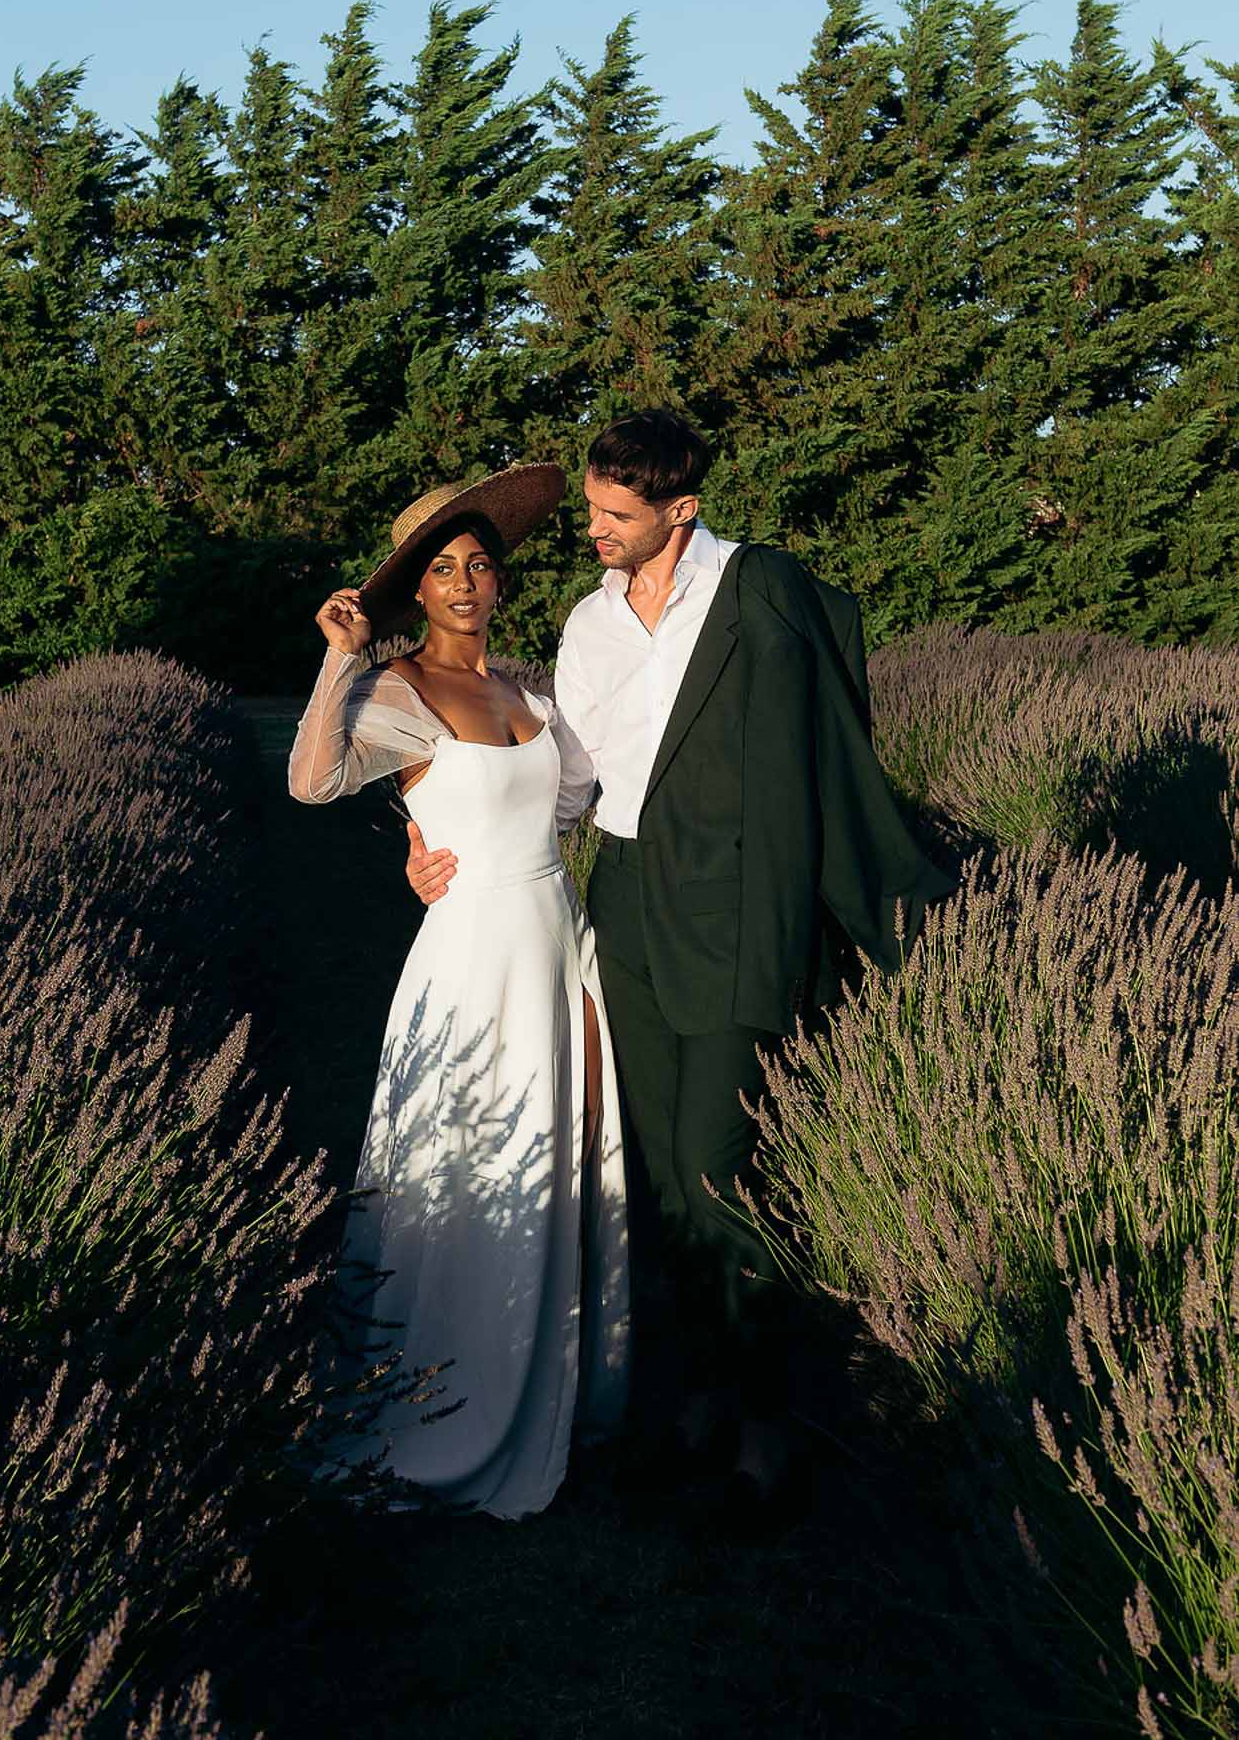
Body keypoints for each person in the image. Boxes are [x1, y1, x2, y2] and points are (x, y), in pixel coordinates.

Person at [405, 410, 954, 1518]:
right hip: (625, 900)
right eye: (594, 509)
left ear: (679, 511)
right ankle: (693, 1406)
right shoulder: (586, 623)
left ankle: (764, 1430)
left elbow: (831, 741)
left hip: (741, 900)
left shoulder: (759, 592)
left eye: (617, 515)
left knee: (720, 1165)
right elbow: (557, 778)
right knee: (655, 1175)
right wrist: (428, 838)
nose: (594, 530)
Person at [287, 464, 628, 1521]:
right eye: (442, 569)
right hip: (470, 955)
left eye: (480, 562)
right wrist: (339, 662)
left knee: (552, 1147)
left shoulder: (531, 690)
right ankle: (439, 1392)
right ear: (415, 591)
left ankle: (549, 1379)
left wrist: (431, 839)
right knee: (463, 1159)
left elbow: (571, 805)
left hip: (552, 942)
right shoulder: (397, 689)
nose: (467, 581)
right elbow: (312, 777)